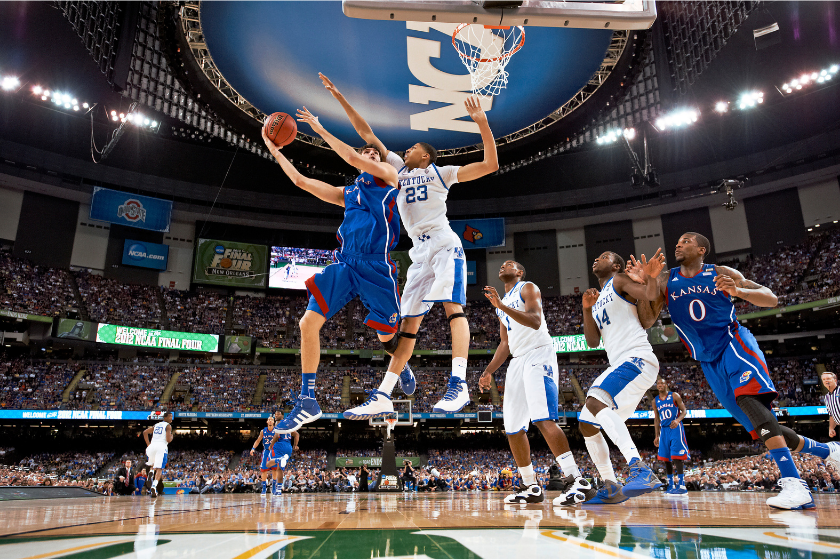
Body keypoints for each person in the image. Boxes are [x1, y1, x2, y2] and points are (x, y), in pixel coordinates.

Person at [319, 73, 499, 417]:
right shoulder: (397, 169)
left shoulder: (442, 173)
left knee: (453, 309)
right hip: (419, 252)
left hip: (445, 244)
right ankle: (385, 393)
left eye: (414, 148)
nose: (406, 150)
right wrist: (340, 97)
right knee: (408, 327)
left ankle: (458, 384)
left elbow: (490, 164)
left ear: (426, 157)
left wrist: (482, 123)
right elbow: (365, 132)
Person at [627, 231, 840, 510]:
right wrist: (650, 280)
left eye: (686, 241)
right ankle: (828, 451)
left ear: (702, 249)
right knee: (758, 424)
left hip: (733, 342)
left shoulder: (720, 272)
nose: (678, 244)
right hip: (706, 359)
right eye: (677, 241)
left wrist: (739, 291)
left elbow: (771, 299)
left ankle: (793, 483)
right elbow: (646, 320)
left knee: (749, 401)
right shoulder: (667, 278)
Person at [261, 106, 402, 433]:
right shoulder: (348, 193)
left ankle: (399, 362)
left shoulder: (390, 178)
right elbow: (300, 180)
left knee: (388, 335)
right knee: (307, 322)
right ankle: (308, 399)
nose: (368, 154)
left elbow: (353, 158)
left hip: (376, 265)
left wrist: (319, 128)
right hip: (346, 262)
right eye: (366, 152)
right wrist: (273, 150)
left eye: (373, 153)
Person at [481, 260, 594, 505]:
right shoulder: (499, 305)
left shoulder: (527, 287)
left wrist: (501, 305)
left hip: (537, 353)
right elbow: (505, 344)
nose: (503, 265)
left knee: (542, 418)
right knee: (512, 427)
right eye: (501, 264)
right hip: (517, 360)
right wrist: (488, 371)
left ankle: (577, 480)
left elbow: (534, 320)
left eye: (509, 264)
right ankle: (530, 485)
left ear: (520, 272)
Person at [577, 251, 664, 504]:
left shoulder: (619, 280)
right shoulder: (598, 296)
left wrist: (649, 278)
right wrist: (586, 309)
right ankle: (611, 486)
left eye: (602, 256)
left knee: (595, 401)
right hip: (623, 363)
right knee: (586, 421)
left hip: (637, 357)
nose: (596, 258)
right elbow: (592, 342)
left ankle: (640, 469)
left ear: (615, 265)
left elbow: (649, 294)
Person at [653, 378, 690, 495]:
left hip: (675, 428)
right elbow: (656, 419)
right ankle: (671, 485)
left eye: (662, 383)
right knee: (665, 458)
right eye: (658, 383)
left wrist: (678, 420)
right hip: (663, 430)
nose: (660, 385)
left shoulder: (674, 395)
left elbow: (684, 410)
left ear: (666, 385)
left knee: (676, 456)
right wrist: (656, 435)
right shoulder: (655, 401)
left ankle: (682, 485)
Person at [265, 410, 299, 494]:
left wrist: (270, 446)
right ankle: (279, 490)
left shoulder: (278, 423)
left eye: (278, 414)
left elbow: (276, 436)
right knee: (279, 469)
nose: (276, 415)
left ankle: (278, 460)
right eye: (275, 414)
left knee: (268, 464)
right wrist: (295, 445)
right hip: (288, 447)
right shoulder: (288, 424)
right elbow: (297, 434)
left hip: (279, 445)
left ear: (283, 416)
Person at [142, 411, 172, 498]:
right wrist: (172, 436)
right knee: (159, 468)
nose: (171, 418)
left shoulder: (156, 425)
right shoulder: (168, 426)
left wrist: (148, 444)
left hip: (152, 447)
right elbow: (168, 440)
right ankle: (154, 486)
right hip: (161, 447)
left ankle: (150, 473)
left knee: (153, 464)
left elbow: (145, 432)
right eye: (170, 417)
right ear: (165, 418)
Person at [250, 416, 280, 496]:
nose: (270, 421)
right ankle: (264, 488)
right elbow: (258, 440)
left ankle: (274, 487)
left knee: (274, 470)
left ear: (273, 422)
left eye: (272, 420)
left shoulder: (277, 430)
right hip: (266, 451)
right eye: (269, 419)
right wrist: (253, 448)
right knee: (264, 470)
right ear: (267, 421)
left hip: (275, 451)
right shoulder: (263, 431)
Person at [822, 371, 840, 440]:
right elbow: (831, 415)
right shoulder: (827, 397)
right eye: (824, 379)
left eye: (828, 378)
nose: (826, 381)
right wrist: (831, 428)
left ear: (835, 380)